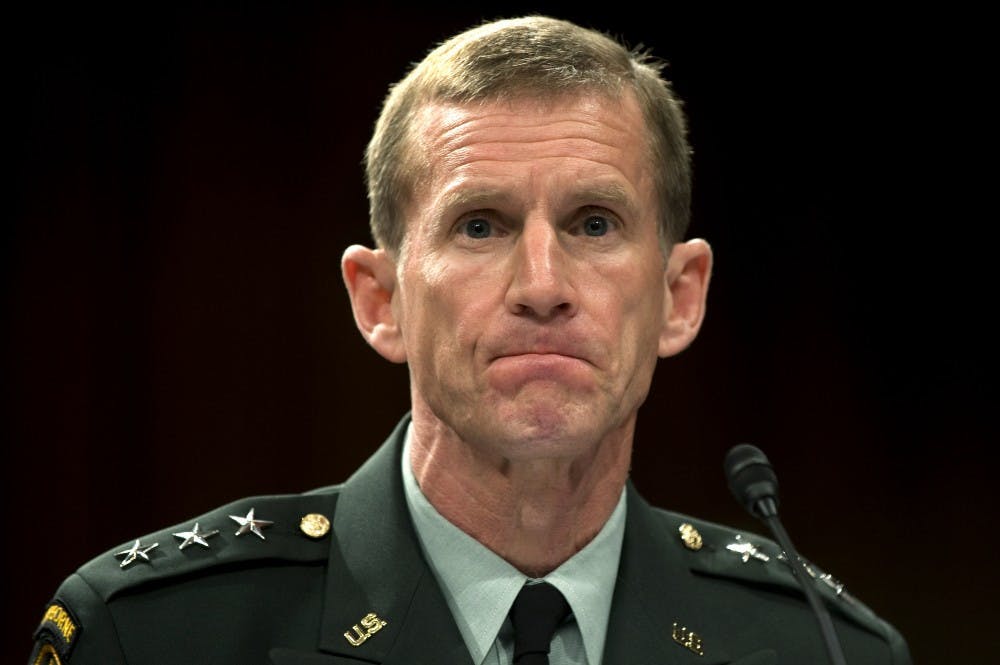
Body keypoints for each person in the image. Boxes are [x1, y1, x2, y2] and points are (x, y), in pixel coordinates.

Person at [29, 15, 910, 665]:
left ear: (680, 297)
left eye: (594, 223)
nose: (542, 287)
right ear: (380, 301)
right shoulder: (150, 636)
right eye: (481, 225)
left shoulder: (824, 648)